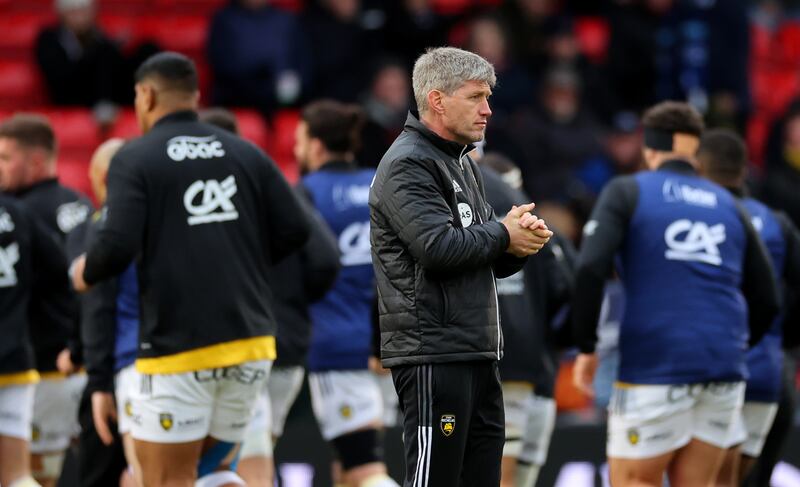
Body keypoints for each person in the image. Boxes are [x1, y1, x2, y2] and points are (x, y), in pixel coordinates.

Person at [70, 52, 311, 487]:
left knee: (166, 479)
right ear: (195, 96)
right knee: (215, 473)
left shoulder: (136, 157)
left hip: (178, 349)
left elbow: (116, 245)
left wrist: (84, 272)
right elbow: (296, 228)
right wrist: (239, 261)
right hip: (251, 345)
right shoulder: (244, 151)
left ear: (146, 95)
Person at [369, 47, 553, 487]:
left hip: (477, 351)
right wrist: (504, 233)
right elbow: (437, 248)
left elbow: (481, 256)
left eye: (487, 97)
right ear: (437, 100)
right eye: (475, 97)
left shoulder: (461, 162)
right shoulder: (409, 162)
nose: (487, 110)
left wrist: (518, 244)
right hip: (434, 354)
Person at [571, 101, 780, 487]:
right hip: (724, 367)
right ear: (696, 151)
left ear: (649, 149)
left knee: (636, 481)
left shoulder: (627, 190)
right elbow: (768, 297)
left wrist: (586, 346)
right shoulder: (730, 204)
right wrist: (733, 346)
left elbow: (590, 268)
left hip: (655, 365)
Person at [196, 108, 341, 487]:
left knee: (241, 466)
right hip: (287, 348)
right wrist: (290, 302)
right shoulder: (280, 190)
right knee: (245, 458)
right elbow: (327, 259)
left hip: (240, 348)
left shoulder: (207, 199)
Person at [294, 100, 398, 487]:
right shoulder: (381, 184)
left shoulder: (306, 194)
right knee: (350, 466)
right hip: (393, 344)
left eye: (299, 141)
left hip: (337, 347)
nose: (296, 150)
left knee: (363, 467)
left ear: (316, 146)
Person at [696, 129, 800, 486]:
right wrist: (782, 340)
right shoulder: (776, 222)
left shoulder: (691, 219)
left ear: (698, 169)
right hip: (768, 371)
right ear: (744, 172)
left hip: (705, 371)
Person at [0, 114, 92, 487]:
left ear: (36, 160)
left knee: (30, 474)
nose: (0, 167)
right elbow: (81, 281)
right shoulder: (81, 203)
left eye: (6, 157)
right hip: (79, 361)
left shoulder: (22, 212)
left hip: (43, 366)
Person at [476, 153, 576, 487]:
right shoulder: (543, 231)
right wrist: (560, 344)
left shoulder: (464, 222)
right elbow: (571, 291)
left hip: (480, 360)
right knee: (515, 479)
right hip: (531, 369)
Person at [65, 138, 138, 487]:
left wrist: (97, 379)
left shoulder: (100, 229)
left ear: (104, 177)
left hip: (120, 371)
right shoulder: (164, 220)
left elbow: (97, 306)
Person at [0, 193, 67, 487]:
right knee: (17, 475)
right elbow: (59, 269)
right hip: (15, 359)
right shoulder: (15, 211)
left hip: (19, 359)